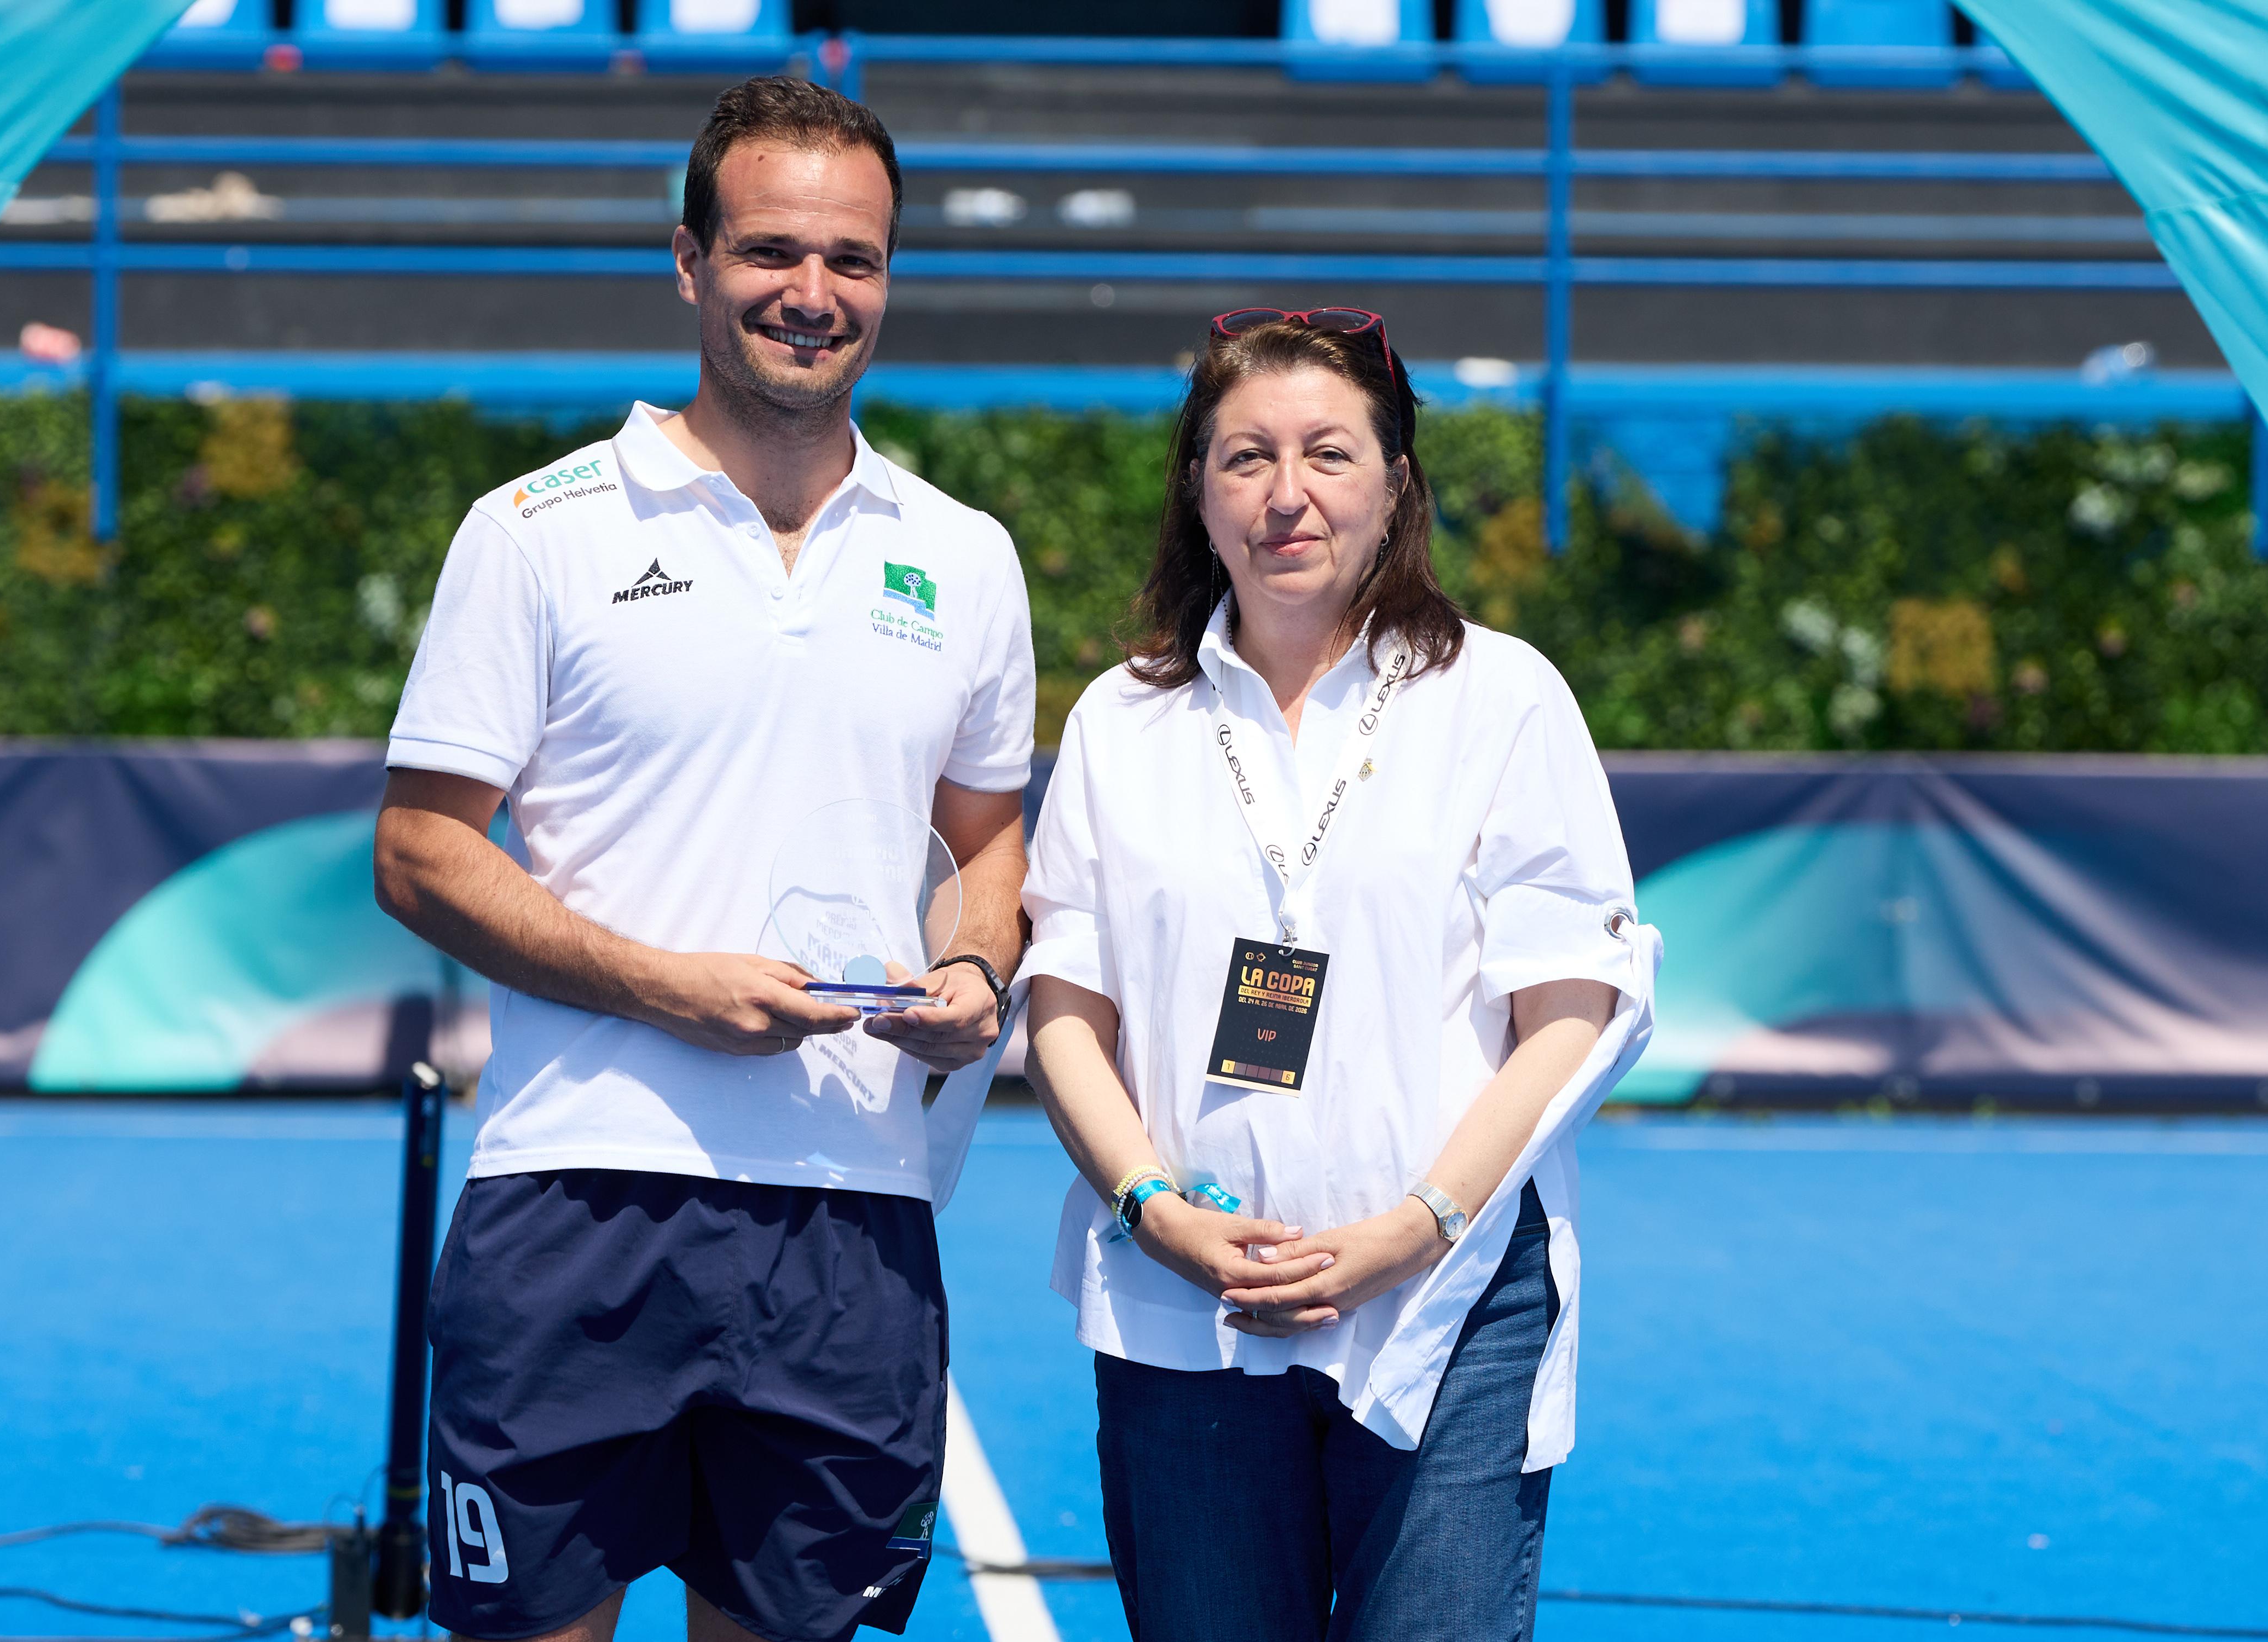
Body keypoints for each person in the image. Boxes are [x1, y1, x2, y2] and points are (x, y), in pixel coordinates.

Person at [372, 77, 1035, 1642]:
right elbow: (417, 852)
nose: (813, 295)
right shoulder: (536, 530)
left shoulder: (965, 553)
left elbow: (990, 844)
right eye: (770, 251)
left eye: (853, 260)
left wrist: (974, 970)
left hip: (852, 1217)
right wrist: (662, 989)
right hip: (575, 1202)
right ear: (688, 263)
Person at [1020, 308, 1654, 1641]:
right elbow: (1068, 1012)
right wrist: (1154, 1210)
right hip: (1185, 1309)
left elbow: (1570, 1017)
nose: (1286, 494)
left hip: (1448, 1304)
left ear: (1395, 485)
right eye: (1245, 457)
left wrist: (1413, 1228)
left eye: (1328, 452)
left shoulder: (1503, 700)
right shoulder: (1123, 723)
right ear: (1198, 492)